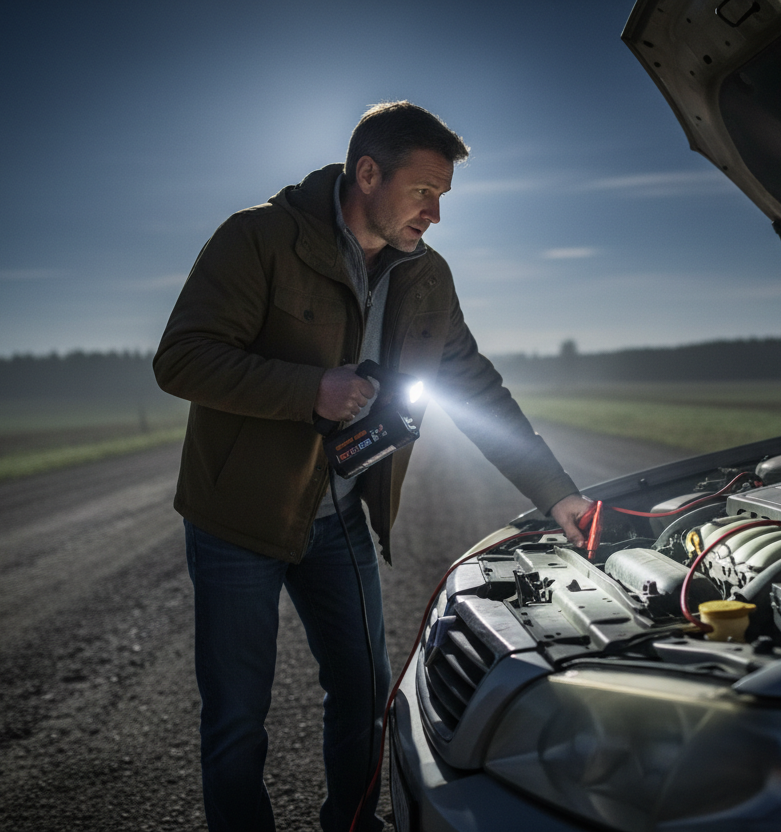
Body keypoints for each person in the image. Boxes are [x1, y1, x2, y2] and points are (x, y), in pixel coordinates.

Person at [153, 101, 592, 832]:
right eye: (424, 192)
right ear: (367, 172)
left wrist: (559, 497)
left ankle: (353, 826)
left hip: (342, 518)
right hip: (238, 522)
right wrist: (309, 391)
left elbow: (477, 387)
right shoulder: (256, 238)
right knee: (237, 719)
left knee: (365, 695)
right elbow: (182, 359)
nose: (436, 214)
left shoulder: (430, 278)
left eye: (444, 197)